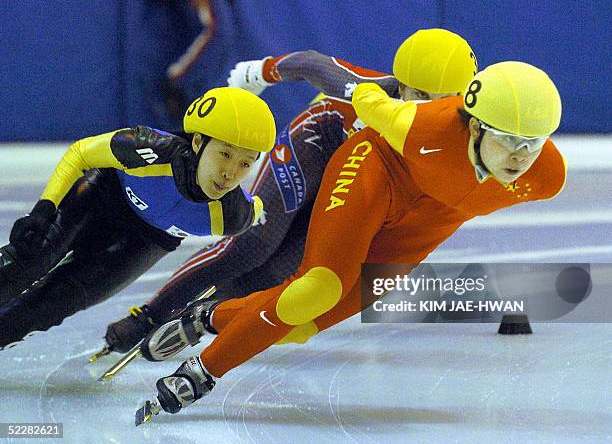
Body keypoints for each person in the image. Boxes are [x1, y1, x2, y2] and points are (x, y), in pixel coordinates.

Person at [139, 60, 566, 416]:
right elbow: (362, 94)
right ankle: (201, 374)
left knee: (297, 328)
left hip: (422, 227)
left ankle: (207, 318)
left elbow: (521, 160)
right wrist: (271, 71)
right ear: (474, 127)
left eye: (534, 142)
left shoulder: (546, 177)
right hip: (376, 172)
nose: (521, 156)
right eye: (509, 139)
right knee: (317, 289)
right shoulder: (422, 128)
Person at [101, 28, 479, 354]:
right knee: (255, 243)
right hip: (319, 142)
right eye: (418, 94)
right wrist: (259, 73)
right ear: (399, 83)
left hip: (354, 182)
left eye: (442, 100)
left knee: (279, 274)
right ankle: (149, 314)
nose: (427, 108)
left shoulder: (469, 135)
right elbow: (312, 63)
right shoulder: (369, 91)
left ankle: (198, 319)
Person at [0, 87, 275, 349]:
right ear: (198, 142)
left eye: (245, 163)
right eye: (225, 154)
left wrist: (151, 317)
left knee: (52, 305)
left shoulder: (233, 216)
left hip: (145, 242)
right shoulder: (148, 149)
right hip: (103, 197)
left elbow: (266, 210)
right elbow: (81, 153)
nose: (230, 173)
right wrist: (45, 208)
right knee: (31, 256)